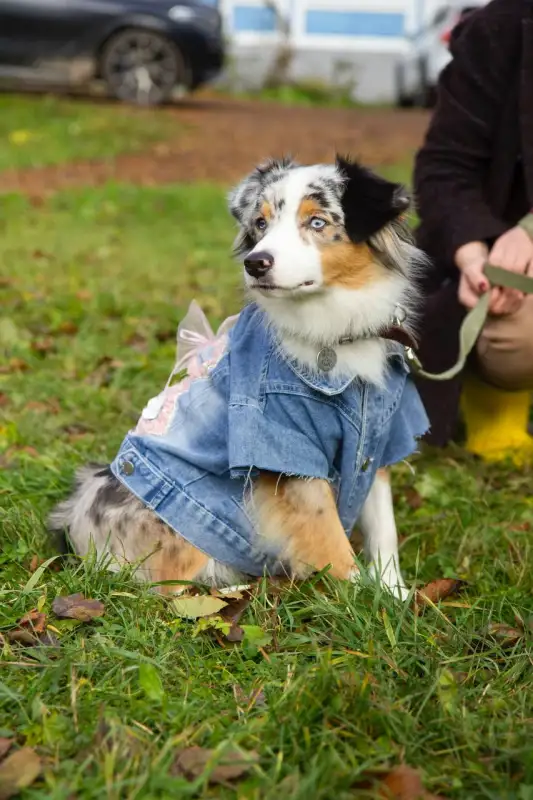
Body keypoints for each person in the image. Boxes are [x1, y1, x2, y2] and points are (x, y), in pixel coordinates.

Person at [413, 0, 533, 463]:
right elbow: (444, 166)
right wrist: (471, 250)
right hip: (500, 261)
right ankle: (496, 404)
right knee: (513, 332)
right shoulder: (499, 29)